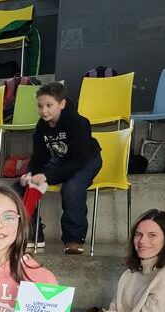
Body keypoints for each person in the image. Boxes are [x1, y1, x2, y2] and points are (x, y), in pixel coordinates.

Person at [17, 82, 103, 255]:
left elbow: (78, 161)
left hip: (87, 160)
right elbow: (39, 157)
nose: (44, 111)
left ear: (62, 104)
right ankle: (34, 234)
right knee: (21, 186)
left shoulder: (78, 122)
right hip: (61, 160)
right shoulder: (41, 126)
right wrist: (31, 174)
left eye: (49, 105)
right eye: (40, 106)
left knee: (72, 188)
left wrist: (47, 176)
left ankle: (73, 239)